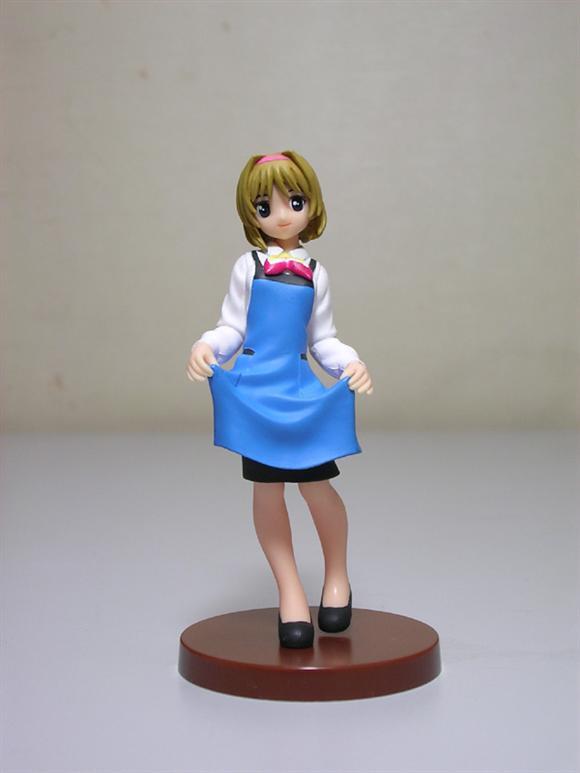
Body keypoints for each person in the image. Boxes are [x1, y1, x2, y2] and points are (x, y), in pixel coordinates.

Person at [186, 151, 373, 648]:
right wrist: (207, 346)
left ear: (312, 204)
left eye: (295, 201)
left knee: (317, 487)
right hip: (256, 392)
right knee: (267, 491)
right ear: (251, 213)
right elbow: (232, 325)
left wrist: (350, 363)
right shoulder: (247, 267)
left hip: (297, 387)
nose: (283, 215)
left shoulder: (316, 272)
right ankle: (290, 591)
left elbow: (323, 338)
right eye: (265, 207)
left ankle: (337, 576)